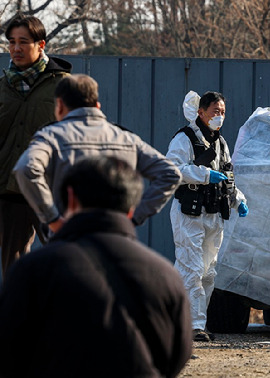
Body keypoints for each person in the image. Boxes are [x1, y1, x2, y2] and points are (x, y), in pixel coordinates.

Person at [0, 156, 192, 377]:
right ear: (131, 207)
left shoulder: (32, 270)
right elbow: (178, 354)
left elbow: (9, 352)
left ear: (71, 199)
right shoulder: (165, 275)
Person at [13, 74, 181, 234]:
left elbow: (26, 168)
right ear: (97, 106)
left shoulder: (50, 137)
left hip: (70, 240)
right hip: (116, 239)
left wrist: (53, 218)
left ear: (59, 105)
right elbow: (170, 173)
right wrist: (133, 218)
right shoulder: (127, 139)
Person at [167, 90, 248, 342]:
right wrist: (203, 175)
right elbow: (172, 169)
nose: (219, 116)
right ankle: (192, 326)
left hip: (214, 214)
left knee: (208, 273)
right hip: (189, 213)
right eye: (215, 111)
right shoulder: (185, 139)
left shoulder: (221, 142)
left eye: (223, 112)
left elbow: (227, 177)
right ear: (201, 112)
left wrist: (238, 200)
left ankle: (189, 320)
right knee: (190, 270)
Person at [0, 15, 71, 275]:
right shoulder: (2, 87)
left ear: (40, 44)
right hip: (10, 190)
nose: (16, 48)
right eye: (11, 42)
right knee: (13, 266)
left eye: (23, 42)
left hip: (51, 188)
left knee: (63, 260)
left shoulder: (63, 86)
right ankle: (16, 314)